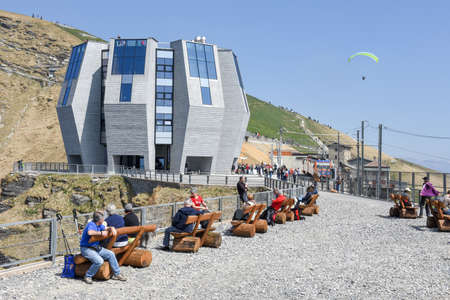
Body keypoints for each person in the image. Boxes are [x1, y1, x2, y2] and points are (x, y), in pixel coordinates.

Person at [80, 211, 126, 284]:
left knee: (111, 254)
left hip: (96, 247)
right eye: (103, 219)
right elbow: (90, 232)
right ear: (99, 220)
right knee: (99, 261)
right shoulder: (91, 224)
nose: (104, 220)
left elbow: (106, 228)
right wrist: (101, 233)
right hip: (86, 248)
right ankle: (88, 276)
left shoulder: (99, 225)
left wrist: (111, 228)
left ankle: (117, 274)